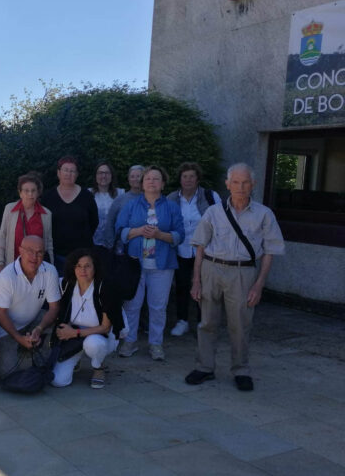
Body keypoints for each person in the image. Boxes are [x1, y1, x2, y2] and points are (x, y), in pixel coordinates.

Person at [186, 163, 285, 392]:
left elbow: (270, 252)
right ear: (227, 184)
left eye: (245, 182)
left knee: (240, 324)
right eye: (236, 182)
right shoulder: (213, 211)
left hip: (243, 272)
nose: (240, 187)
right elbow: (200, 247)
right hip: (211, 269)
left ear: (253, 185)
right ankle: (205, 367)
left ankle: (240, 369)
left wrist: (259, 285)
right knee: (207, 322)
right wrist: (196, 281)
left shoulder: (264, 214)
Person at [116, 166, 184, 361]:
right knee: (132, 305)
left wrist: (160, 235)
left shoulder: (172, 207)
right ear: (142, 183)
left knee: (158, 307)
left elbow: (180, 235)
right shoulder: (131, 205)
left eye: (156, 179)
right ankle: (129, 341)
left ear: (163, 183)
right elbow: (120, 230)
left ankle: (156, 344)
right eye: (148, 179)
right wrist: (137, 231)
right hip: (135, 263)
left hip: (162, 265)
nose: (152, 182)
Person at [0, 235, 61, 379]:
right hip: (8, 328)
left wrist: (39, 328)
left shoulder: (50, 271)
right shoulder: (7, 275)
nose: (34, 257)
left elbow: (54, 308)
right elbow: (0, 313)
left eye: (39, 252)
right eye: (30, 251)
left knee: (55, 321)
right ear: (20, 251)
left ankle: (39, 357)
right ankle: (19, 350)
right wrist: (18, 338)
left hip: (33, 320)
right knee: (7, 374)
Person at [166, 162, 221, 337]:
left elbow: (220, 223)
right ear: (180, 179)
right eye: (185, 176)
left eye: (192, 176)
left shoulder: (210, 196)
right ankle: (182, 321)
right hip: (180, 250)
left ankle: (201, 322)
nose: (188, 180)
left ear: (198, 178)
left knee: (204, 288)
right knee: (181, 286)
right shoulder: (171, 198)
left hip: (205, 251)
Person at [51, 248, 118, 389]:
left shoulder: (105, 287)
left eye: (87, 266)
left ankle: (98, 368)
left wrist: (74, 333)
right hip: (74, 336)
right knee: (58, 381)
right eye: (78, 266)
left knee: (93, 344)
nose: (83, 270)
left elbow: (106, 327)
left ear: (95, 268)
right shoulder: (66, 284)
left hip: (101, 336)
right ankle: (76, 359)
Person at [41, 156, 99, 275]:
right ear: (58, 173)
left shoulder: (87, 196)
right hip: (56, 257)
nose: (68, 173)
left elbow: (94, 222)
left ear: (77, 174)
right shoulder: (48, 197)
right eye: (65, 170)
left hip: (83, 258)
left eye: (72, 171)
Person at [0, 171, 54, 269]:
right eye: (26, 191)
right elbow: (2, 238)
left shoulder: (46, 214)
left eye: (33, 190)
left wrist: (50, 268)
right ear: (20, 193)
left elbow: (48, 244)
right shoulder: (9, 210)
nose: (30, 194)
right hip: (12, 267)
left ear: (38, 192)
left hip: (37, 268)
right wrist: (0, 263)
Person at [101, 165, 145, 255]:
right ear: (128, 179)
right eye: (132, 176)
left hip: (146, 248)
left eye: (138, 176)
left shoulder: (151, 198)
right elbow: (110, 222)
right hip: (123, 250)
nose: (135, 179)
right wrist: (110, 245)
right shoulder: (120, 199)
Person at [90, 161, 124, 251]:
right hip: (93, 243)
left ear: (111, 175)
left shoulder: (121, 194)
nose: (103, 176)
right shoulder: (88, 194)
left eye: (107, 173)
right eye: (100, 173)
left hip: (115, 244)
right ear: (96, 176)